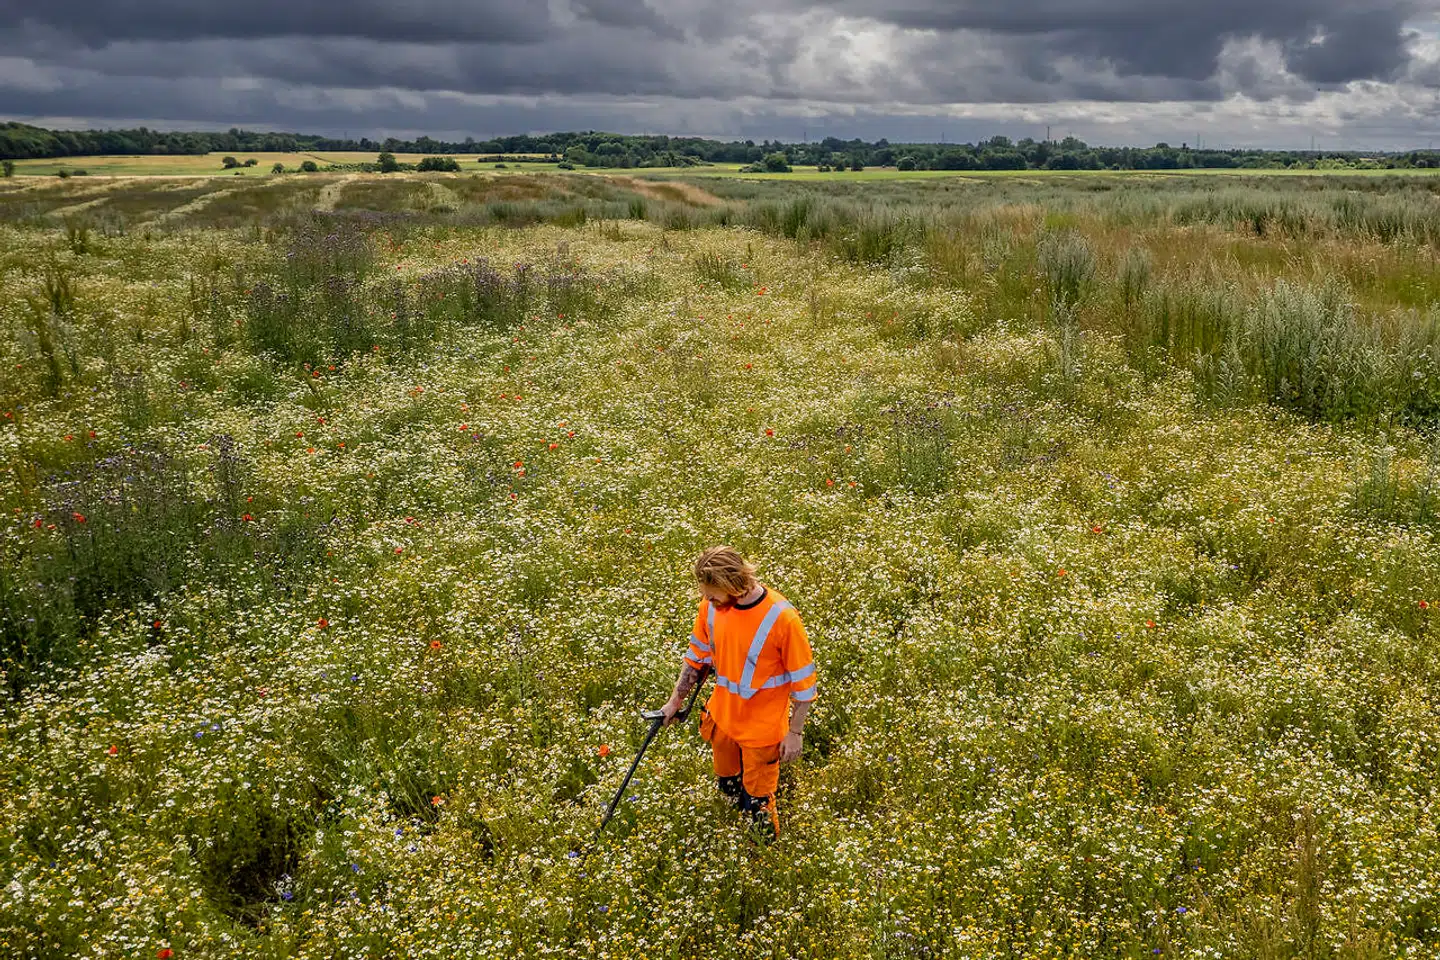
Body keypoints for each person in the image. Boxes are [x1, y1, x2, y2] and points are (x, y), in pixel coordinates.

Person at [660, 546, 817, 843]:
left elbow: (804, 685)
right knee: (729, 786)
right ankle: (733, 838)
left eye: (713, 594)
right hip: (722, 720)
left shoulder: (782, 618)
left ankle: (763, 859)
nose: (707, 600)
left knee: (758, 804)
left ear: (734, 584)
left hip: (762, 730)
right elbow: (696, 659)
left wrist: (795, 732)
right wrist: (673, 703)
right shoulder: (709, 608)